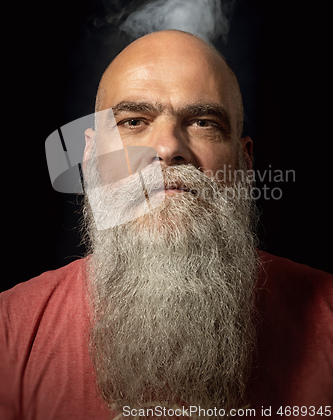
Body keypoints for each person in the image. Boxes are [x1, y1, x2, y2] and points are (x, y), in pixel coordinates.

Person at [1, 30, 332, 420]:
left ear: (244, 163)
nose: (166, 147)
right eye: (133, 121)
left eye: (203, 122)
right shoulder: (11, 331)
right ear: (90, 157)